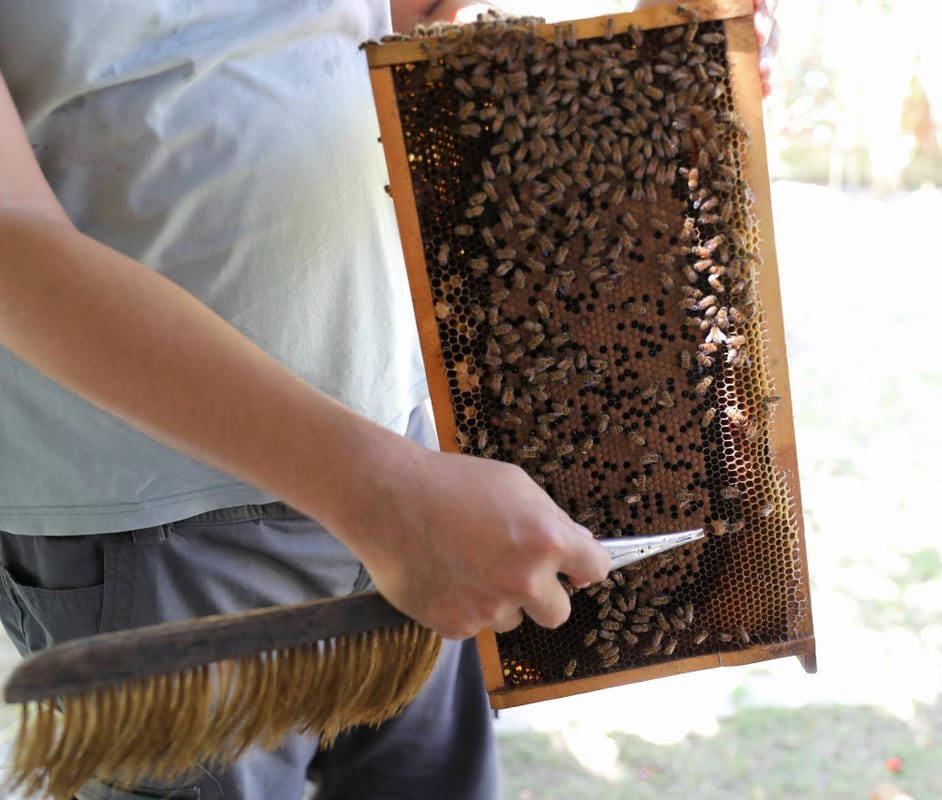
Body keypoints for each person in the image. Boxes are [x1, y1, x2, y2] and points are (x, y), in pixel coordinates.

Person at [0, 0, 777, 797]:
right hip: (161, 518)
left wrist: (651, 49)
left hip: (417, 461)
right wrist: (379, 492)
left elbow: (367, 17)